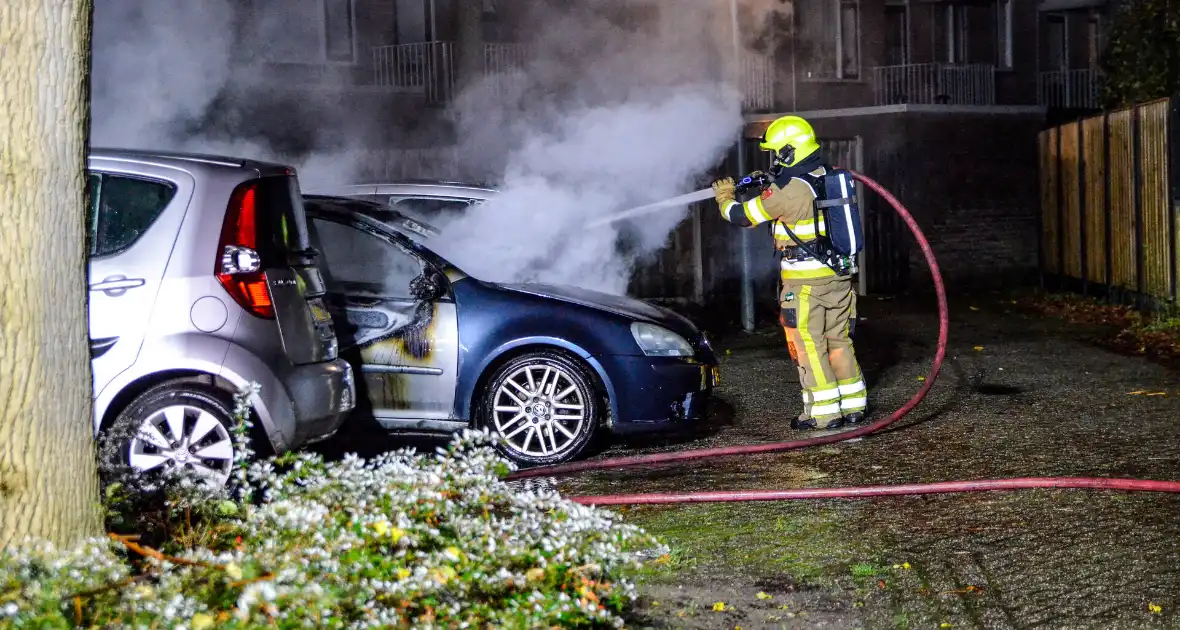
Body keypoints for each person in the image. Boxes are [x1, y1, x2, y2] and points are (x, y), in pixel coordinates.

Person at [712, 115, 867, 430]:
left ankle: (824, 413)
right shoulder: (825, 174)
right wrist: (766, 180)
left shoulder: (788, 191)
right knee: (838, 341)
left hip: (806, 283)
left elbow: (743, 216)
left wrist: (724, 197)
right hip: (838, 277)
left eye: (776, 152)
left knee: (809, 346)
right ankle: (854, 406)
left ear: (789, 150)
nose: (774, 158)